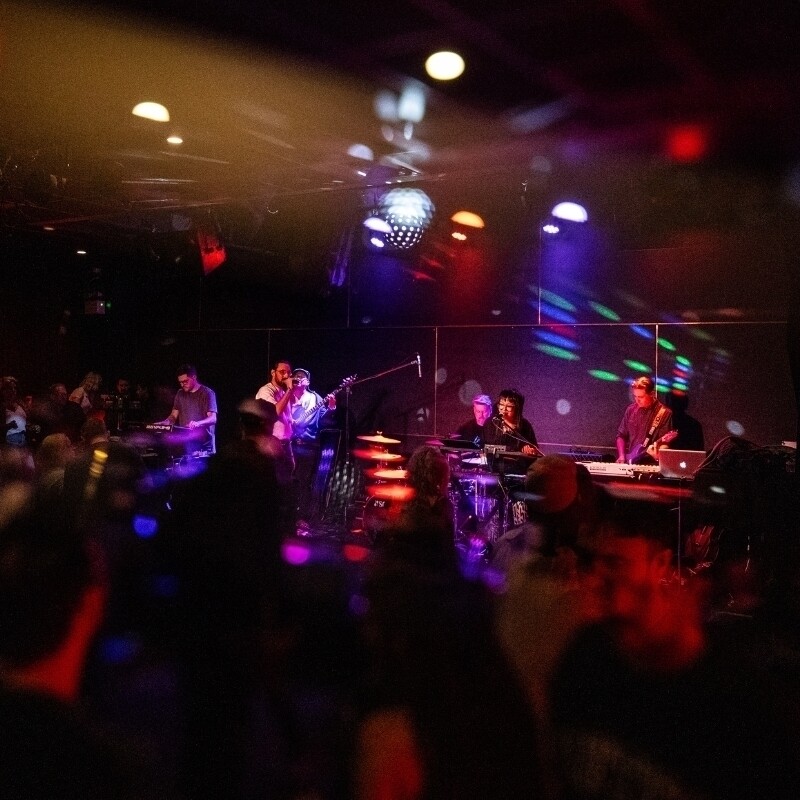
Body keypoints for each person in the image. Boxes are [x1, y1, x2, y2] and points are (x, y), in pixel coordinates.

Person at [550, 493, 800, 800]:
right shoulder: (584, 655)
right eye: (593, 561)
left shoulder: (731, 697)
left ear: (660, 564)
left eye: (616, 563)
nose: (597, 576)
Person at [159, 363, 218, 454]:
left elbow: (213, 419)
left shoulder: (207, 393)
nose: (182, 384)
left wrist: (198, 423)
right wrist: (166, 422)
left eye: (185, 381)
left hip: (204, 446)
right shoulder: (180, 393)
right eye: (180, 382)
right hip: (187, 444)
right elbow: (173, 416)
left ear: (194, 377)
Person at [615, 375, 674, 464]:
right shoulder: (631, 409)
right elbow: (621, 436)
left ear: (652, 394)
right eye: (635, 396)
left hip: (651, 463)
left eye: (641, 397)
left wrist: (658, 454)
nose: (637, 400)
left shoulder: (664, 413)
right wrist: (622, 455)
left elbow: (664, 445)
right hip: (631, 462)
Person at [255, 359, 296, 472]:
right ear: (273, 373)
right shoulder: (265, 391)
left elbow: (286, 416)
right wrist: (290, 389)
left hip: (286, 442)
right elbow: (275, 412)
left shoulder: (283, 392)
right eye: (282, 372)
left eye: (289, 372)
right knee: (276, 475)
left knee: (289, 472)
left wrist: (291, 422)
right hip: (272, 443)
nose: (286, 376)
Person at [492, 388, 538, 455]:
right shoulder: (492, 423)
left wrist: (531, 450)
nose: (504, 409)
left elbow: (534, 448)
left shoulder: (525, 426)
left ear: (517, 408)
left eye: (509, 406)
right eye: (501, 404)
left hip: (517, 461)